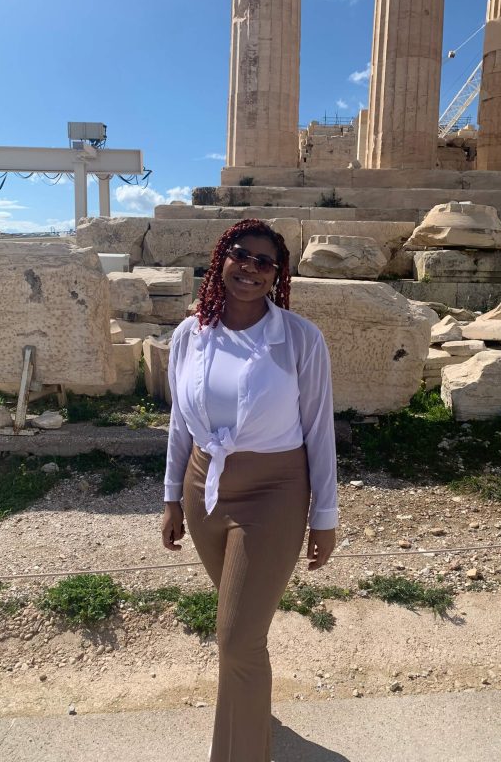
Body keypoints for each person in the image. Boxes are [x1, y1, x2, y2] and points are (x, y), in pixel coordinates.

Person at [161, 218, 338, 762]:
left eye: (267, 263)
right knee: (239, 629)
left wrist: (324, 515)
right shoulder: (189, 334)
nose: (252, 269)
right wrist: (171, 496)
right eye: (243, 255)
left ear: (277, 275)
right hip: (203, 486)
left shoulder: (300, 337)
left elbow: (318, 427)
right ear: (222, 259)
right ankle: (252, 705)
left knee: (237, 641)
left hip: (275, 491)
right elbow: (179, 421)